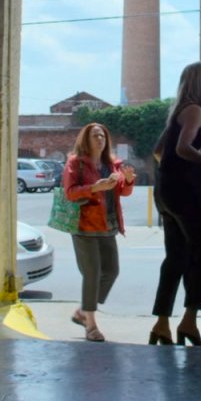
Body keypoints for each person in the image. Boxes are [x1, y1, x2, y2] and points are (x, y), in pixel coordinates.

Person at [149, 62, 201, 347]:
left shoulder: (178, 113)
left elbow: (159, 152)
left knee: (175, 258)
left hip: (166, 195)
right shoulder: (195, 111)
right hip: (186, 195)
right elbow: (182, 148)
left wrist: (173, 171)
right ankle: (189, 322)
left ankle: (161, 325)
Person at [62, 122, 136, 343]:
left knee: (111, 272)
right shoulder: (76, 163)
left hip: (108, 226)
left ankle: (83, 311)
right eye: (95, 136)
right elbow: (70, 192)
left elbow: (123, 191)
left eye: (103, 135)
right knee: (92, 274)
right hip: (84, 226)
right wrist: (95, 187)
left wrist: (129, 180)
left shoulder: (112, 164)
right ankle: (91, 325)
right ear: (86, 140)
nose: (100, 139)